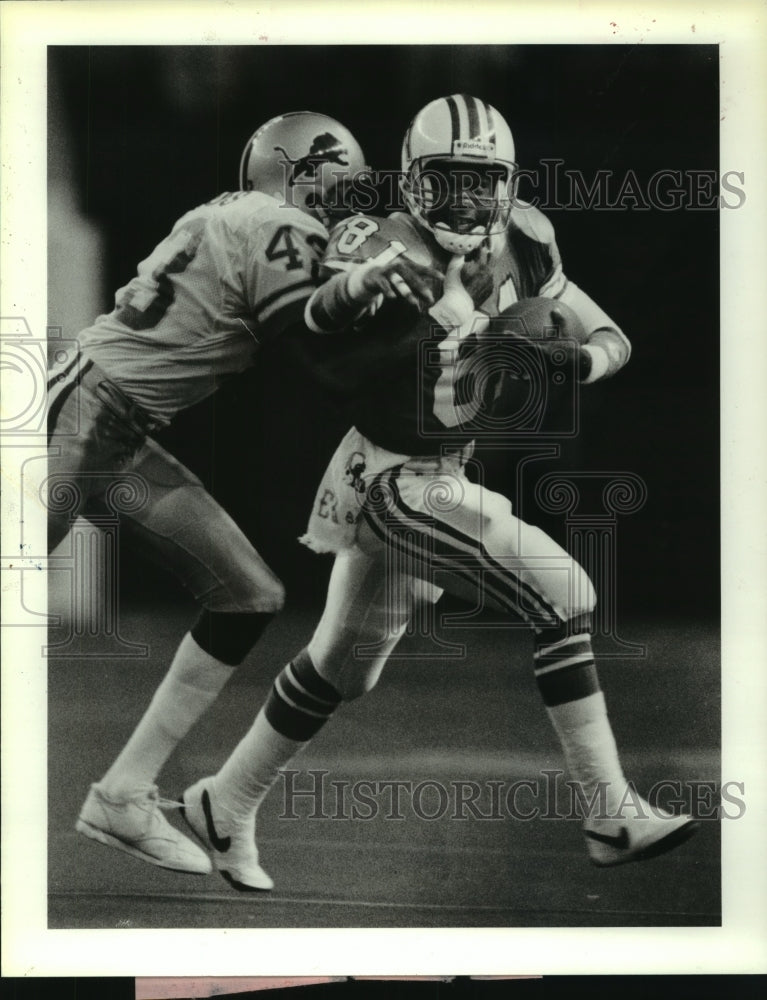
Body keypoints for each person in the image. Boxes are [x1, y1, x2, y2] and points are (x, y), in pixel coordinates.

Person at [179, 94, 698, 891]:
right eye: (445, 181)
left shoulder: (524, 236)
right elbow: (331, 357)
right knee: (564, 594)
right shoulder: (371, 245)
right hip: (391, 476)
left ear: (507, 184)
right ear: (412, 180)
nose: (462, 200)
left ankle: (226, 799)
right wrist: (442, 317)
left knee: (344, 670)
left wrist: (571, 361)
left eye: (478, 182)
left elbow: (609, 337)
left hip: (439, 469)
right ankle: (609, 811)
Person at [49, 111, 377, 874]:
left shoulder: (238, 214)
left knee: (246, 593)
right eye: (337, 178)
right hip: (79, 415)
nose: (345, 198)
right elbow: (323, 360)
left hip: (119, 431)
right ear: (300, 172)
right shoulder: (277, 227)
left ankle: (123, 795)